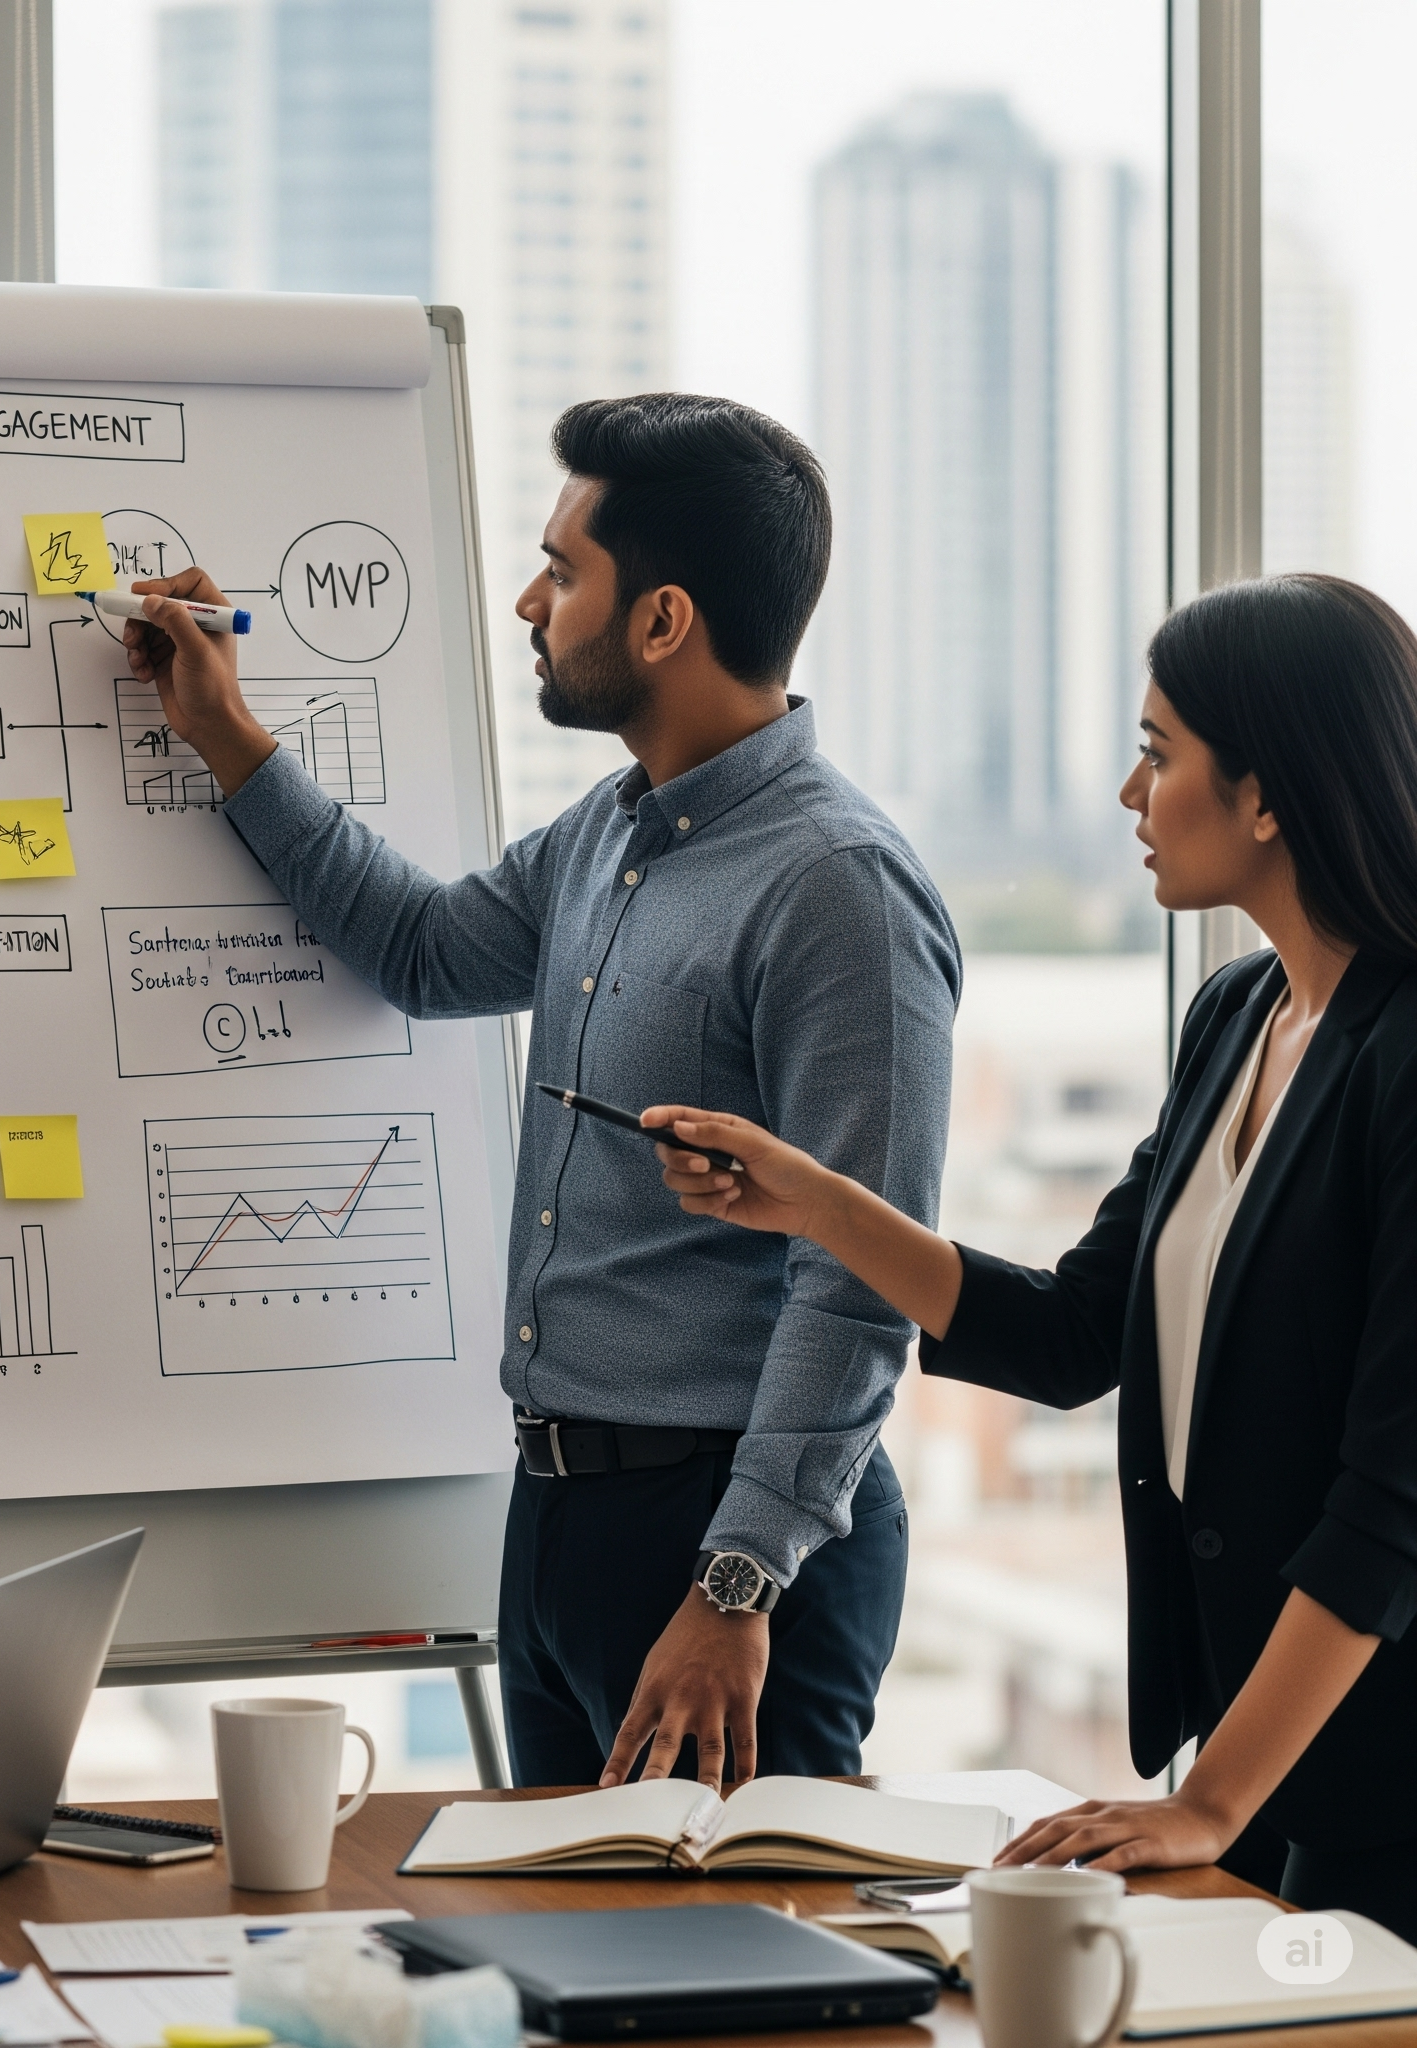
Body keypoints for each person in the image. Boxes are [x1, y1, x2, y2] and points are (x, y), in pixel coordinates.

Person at [121, 393, 960, 1793]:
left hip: (726, 1545)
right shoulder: (612, 831)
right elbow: (427, 949)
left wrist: (738, 1585)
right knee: (567, 1968)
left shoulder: (840, 891)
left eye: (563, 570)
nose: (530, 598)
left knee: (737, 1988)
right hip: (564, 1517)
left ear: (661, 622)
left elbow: (861, 1276)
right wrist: (227, 738)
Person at [650, 572, 1417, 1940]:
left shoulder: (1408, 1056)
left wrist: (1212, 1804)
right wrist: (818, 1200)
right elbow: (1074, 1336)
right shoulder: (1238, 1016)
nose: (1130, 795)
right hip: (1275, 1758)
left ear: (1269, 794)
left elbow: (1390, 1503)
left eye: (1158, 751)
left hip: (1377, 1767)